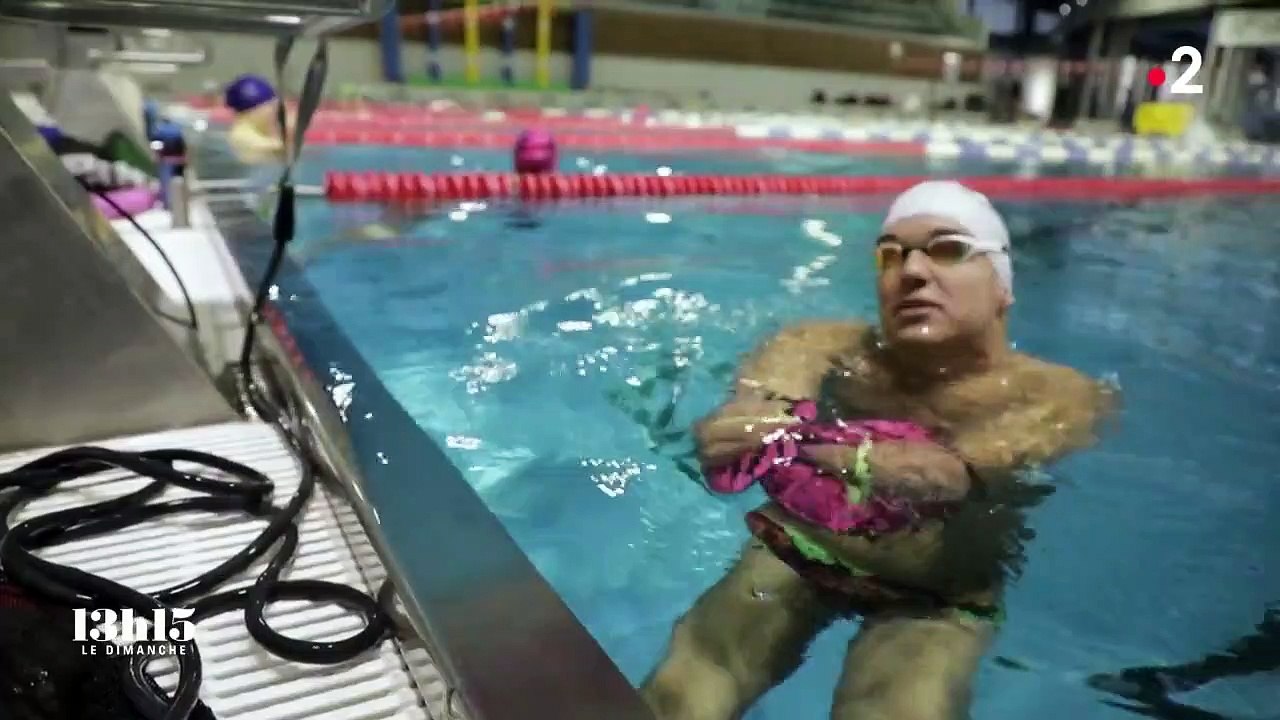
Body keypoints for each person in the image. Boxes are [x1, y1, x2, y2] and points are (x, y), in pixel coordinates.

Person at [641, 180, 1117, 720]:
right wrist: (738, 428)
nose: (911, 272)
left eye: (948, 249)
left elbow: (948, 474)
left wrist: (820, 450)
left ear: (1002, 286)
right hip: (801, 550)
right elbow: (762, 402)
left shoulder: (1059, 393)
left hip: (937, 596)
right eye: (891, 255)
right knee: (686, 690)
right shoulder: (819, 344)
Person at [224, 74, 291, 164]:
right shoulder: (245, 137)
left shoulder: (242, 131)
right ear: (256, 110)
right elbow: (281, 152)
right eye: (272, 107)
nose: (276, 113)